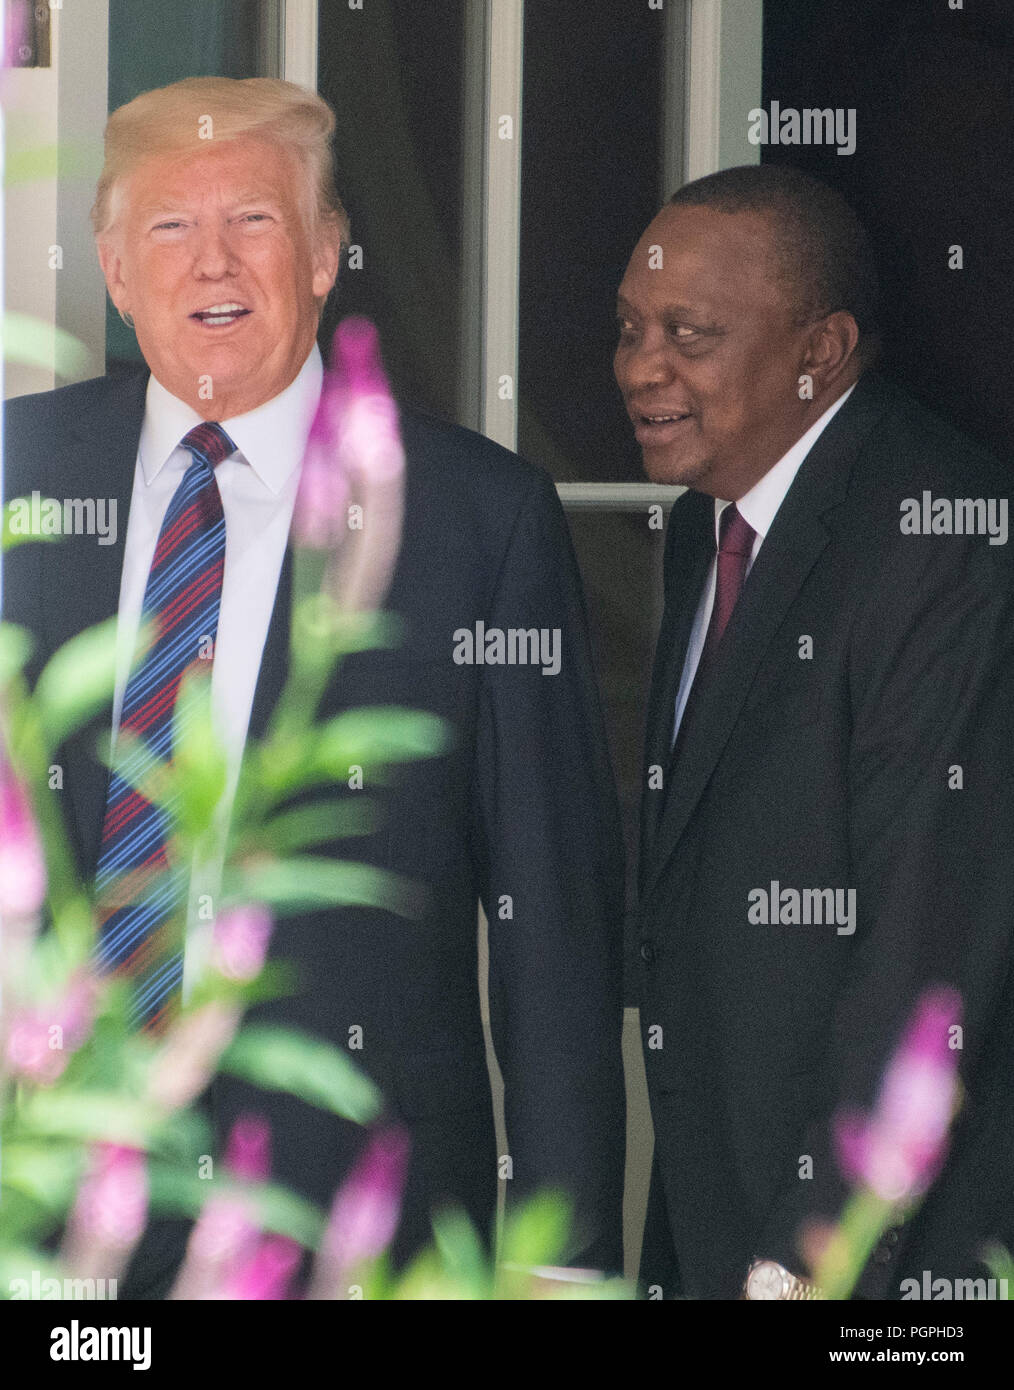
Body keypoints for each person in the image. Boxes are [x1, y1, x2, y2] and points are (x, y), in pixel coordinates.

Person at [3, 77, 626, 1293]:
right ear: (115, 270)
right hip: (43, 1202)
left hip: (347, 1218)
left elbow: (552, 927)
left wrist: (562, 1265)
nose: (211, 263)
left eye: (256, 221)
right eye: (170, 229)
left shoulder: (476, 520)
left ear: (332, 251)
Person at [617, 164, 1014, 1300]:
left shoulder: (945, 543)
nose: (643, 367)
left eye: (689, 333)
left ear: (821, 351)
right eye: (632, 329)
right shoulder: (712, 527)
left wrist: (805, 1264)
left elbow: (926, 966)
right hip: (720, 1213)